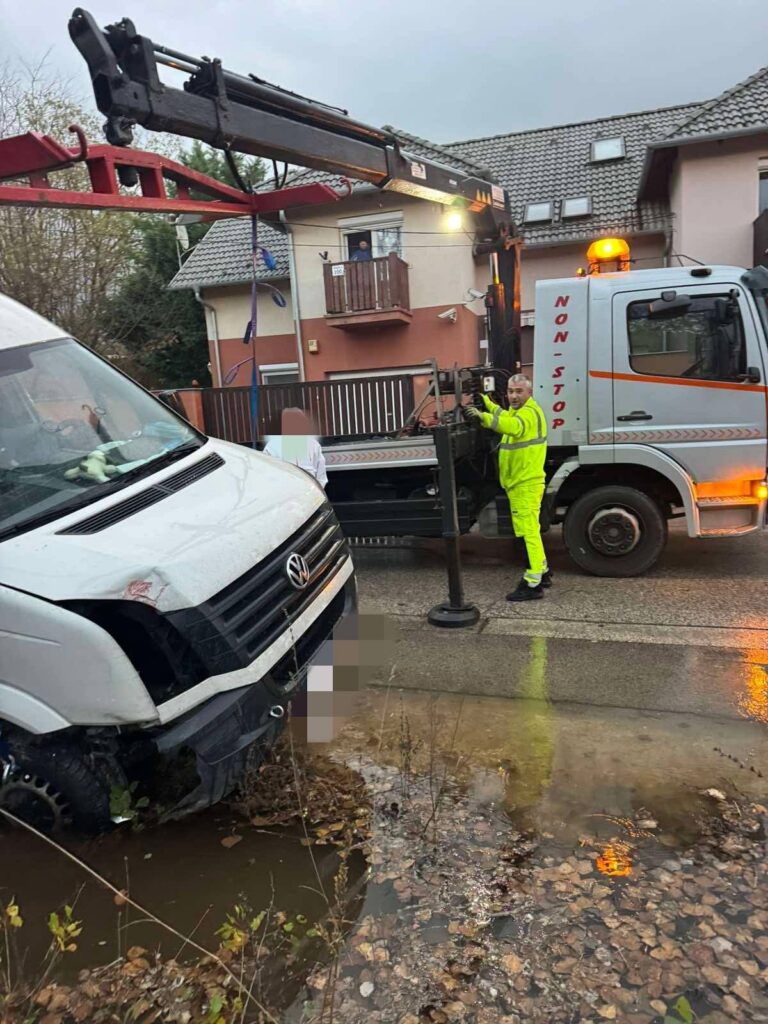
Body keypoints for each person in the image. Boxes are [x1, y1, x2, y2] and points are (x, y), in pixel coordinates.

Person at [466, 374, 551, 601]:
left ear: (529, 393)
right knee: (530, 530)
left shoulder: (528, 413)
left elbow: (512, 426)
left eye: (519, 391)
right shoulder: (519, 411)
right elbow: (504, 415)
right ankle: (542, 571)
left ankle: (533, 584)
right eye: (511, 391)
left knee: (528, 532)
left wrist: (482, 417)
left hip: (525, 484)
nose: (513, 396)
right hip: (521, 482)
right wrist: (488, 403)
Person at [263, 407, 328, 488]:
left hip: (309, 492)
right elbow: (267, 475)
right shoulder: (272, 447)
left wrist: (315, 492)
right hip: (284, 492)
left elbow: (321, 477)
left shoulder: (313, 445)